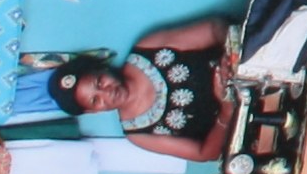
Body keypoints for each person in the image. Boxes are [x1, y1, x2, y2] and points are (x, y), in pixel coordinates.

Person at [42, 17, 235, 159]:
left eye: (99, 82)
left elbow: (215, 28)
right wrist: (227, 110)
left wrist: (231, 59)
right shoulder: (139, 135)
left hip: (246, 66)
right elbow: (205, 153)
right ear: (93, 111)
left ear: (102, 68)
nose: (107, 93)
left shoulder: (147, 48)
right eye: (95, 100)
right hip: (242, 121)